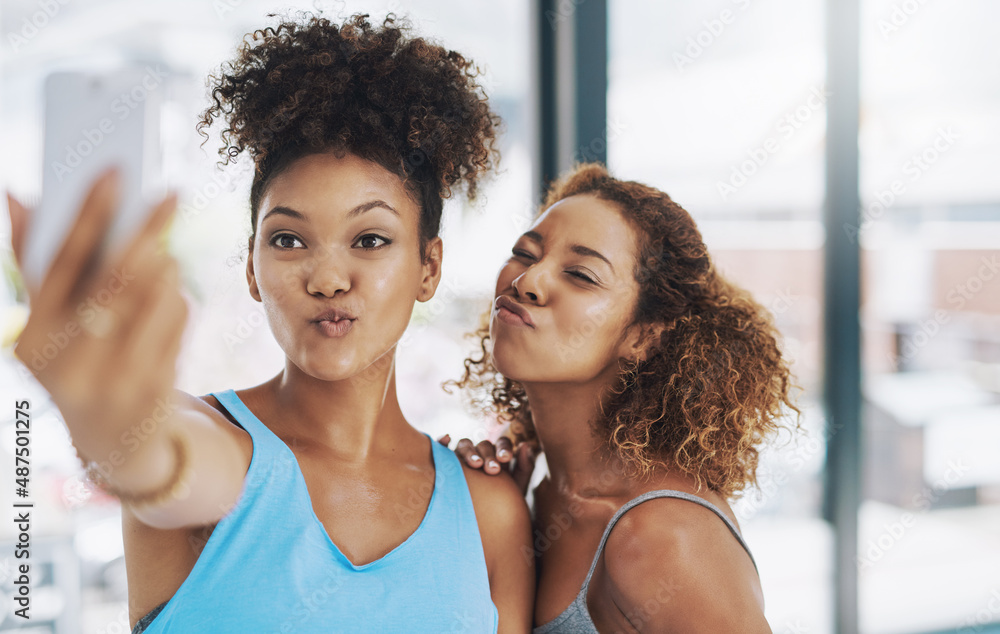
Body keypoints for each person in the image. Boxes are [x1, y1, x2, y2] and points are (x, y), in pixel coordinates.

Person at [7, 13, 533, 633]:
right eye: (287, 239)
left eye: (369, 238)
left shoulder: (487, 509)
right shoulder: (213, 442)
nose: (328, 278)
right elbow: (148, 455)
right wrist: (105, 416)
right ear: (252, 270)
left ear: (429, 266)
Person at [450, 163, 800, 632]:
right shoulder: (538, 489)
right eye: (525, 253)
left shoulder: (662, 537)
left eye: (580, 274)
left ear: (642, 336)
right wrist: (498, 522)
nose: (527, 281)